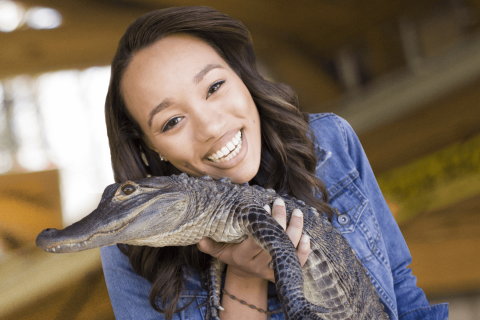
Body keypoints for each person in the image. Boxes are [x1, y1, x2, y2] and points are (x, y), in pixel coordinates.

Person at [100, 6, 449, 320]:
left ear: (241, 76)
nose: (211, 127)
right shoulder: (128, 246)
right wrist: (246, 275)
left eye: (215, 86)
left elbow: (401, 283)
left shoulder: (329, 140)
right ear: (149, 146)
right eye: (172, 121)